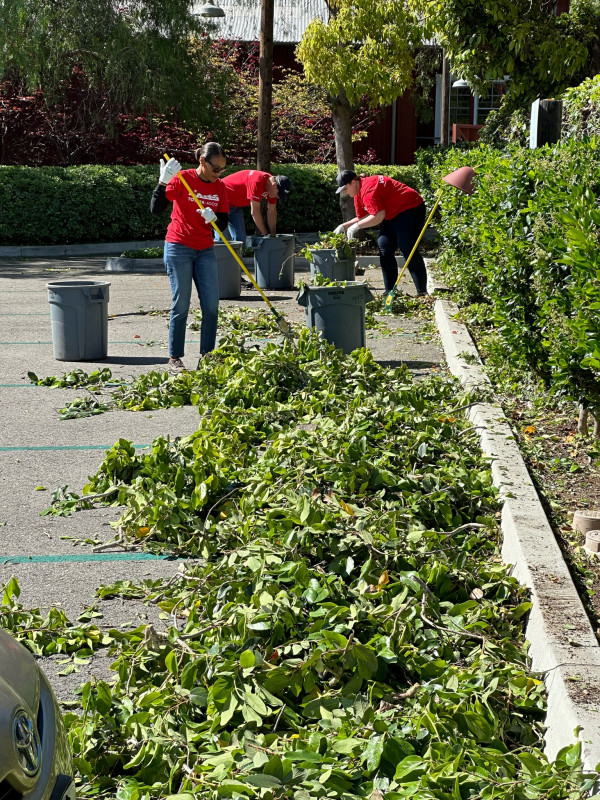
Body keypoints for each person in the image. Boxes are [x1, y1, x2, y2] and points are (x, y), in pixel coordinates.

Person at [150, 143, 229, 372]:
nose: (219, 173)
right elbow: (156, 209)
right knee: (181, 304)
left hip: (205, 250)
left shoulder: (220, 188)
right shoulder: (182, 179)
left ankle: (207, 355)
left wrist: (214, 218)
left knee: (212, 305)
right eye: (216, 168)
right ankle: (175, 357)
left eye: (222, 169)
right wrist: (163, 182)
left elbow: (222, 224)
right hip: (179, 247)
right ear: (202, 161)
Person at [333, 170, 428, 296]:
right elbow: (363, 217)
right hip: (392, 213)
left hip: (410, 207)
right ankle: (390, 292)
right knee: (384, 246)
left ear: (354, 182)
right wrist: (344, 226)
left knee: (406, 246)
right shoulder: (358, 194)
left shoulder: (368, 189)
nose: (344, 192)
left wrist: (356, 227)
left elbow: (378, 216)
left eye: (345, 188)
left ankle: (422, 292)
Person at [220, 169, 291, 244]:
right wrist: (266, 234)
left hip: (234, 206)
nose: (278, 197)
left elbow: (272, 211)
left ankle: (236, 255)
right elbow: (255, 212)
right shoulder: (257, 181)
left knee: (240, 239)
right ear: (274, 185)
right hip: (220, 201)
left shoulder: (271, 188)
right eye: (278, 194)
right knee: (222, 238)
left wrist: (273, 236)